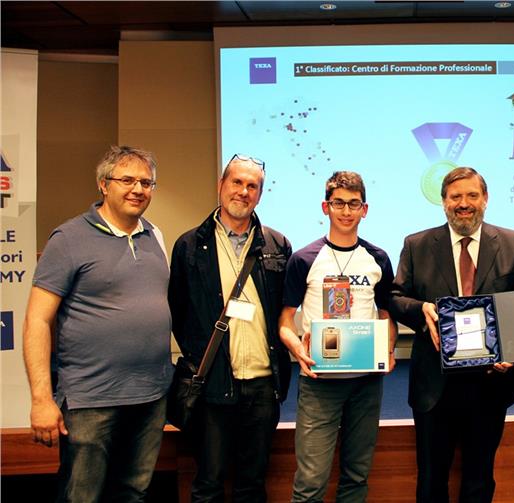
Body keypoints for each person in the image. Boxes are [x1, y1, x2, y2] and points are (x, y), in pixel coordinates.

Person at [22, 145, 172, 502]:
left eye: (146, 182)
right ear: (104, 185)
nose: (138, 189)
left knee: (133, 493)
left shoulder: (155, 235)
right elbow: (37, 320)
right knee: (82, 496)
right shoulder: (69, 238)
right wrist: (41, 398)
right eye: (127, 180)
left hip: (151, 396)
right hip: (91, 399)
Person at [388, 166, 514, 502]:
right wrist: (421, 310)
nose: (464, 203)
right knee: (431, 481)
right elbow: (395, 298)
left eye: (472, 195)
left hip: (490, 382)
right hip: (435, 384)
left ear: (485, 199)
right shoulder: (417, 245)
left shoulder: (512, 242)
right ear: (443, 202)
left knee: (479, 480)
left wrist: (512, 351)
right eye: (455, 197)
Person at [168, 153, 292, 502]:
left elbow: (284, 309)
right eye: (236, 182)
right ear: (220, 185)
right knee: (209, 483)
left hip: (263, 386)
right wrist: (201, 357)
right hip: (213, 383)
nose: (243, 191)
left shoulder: (277, 244)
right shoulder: (189, 245)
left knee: (252, 484)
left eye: (252, 186)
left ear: (260, 195)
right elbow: (178, 310)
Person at [279, 171, 397, 502]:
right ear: (325, 207)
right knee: (311, 481)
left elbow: (387, 316)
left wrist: (388, 349)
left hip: (366, 383)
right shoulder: (304, 259)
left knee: (356, 476)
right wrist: (298, 350)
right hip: (320, 383)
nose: (346, 211)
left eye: (354, 204)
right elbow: (285, 321)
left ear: (364, 209)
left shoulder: (378, 259)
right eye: (338, 203)